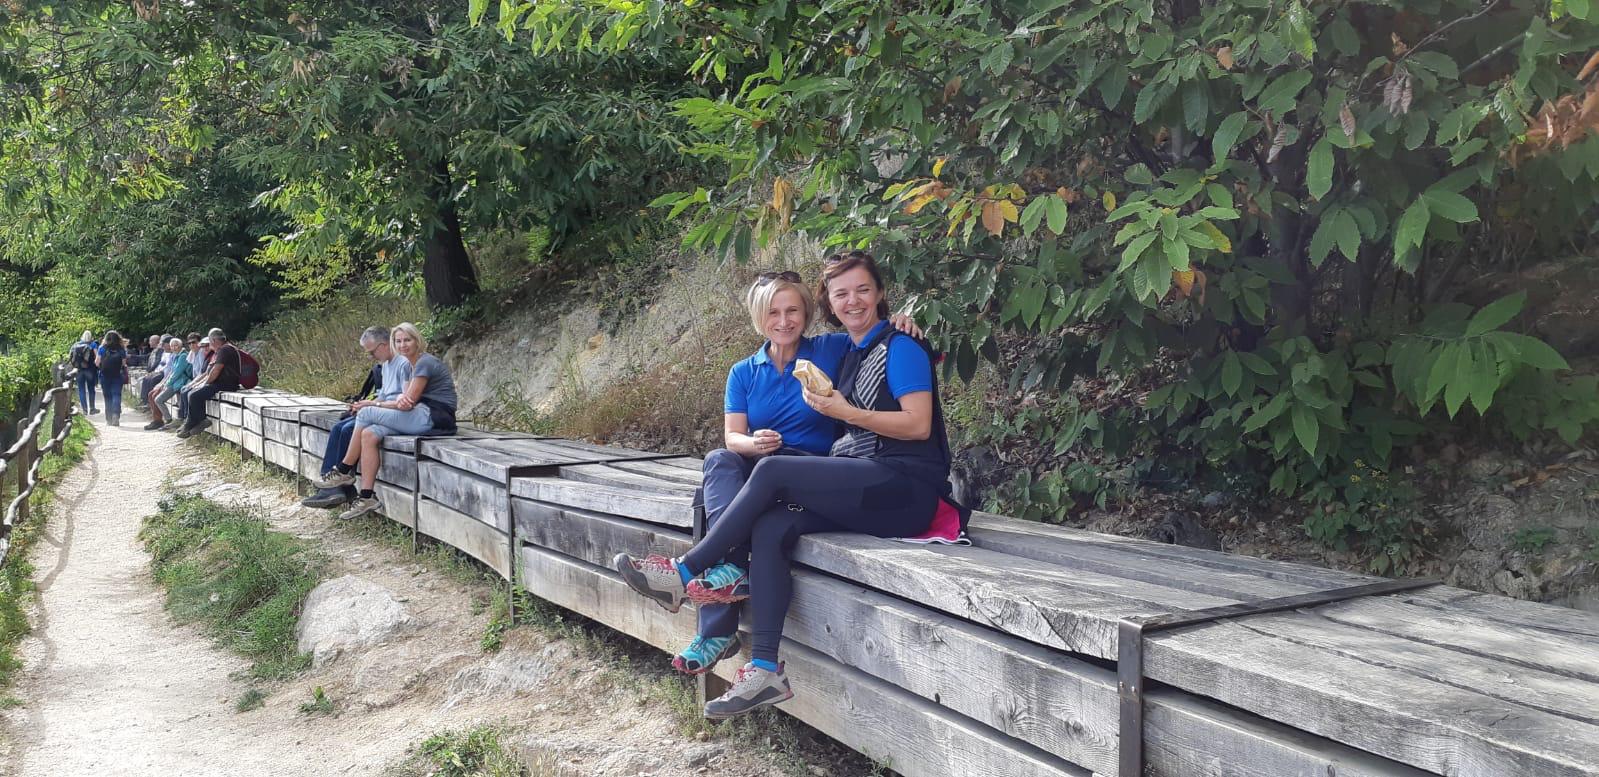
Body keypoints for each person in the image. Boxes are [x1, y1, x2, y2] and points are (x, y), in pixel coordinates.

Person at [614, 251, 956, 719]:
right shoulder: (851, 351)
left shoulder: (899, 346)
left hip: (906, 490)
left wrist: (847, 409)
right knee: (771, 523)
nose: (853, 301)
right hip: (867, 485)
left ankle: (685, 572)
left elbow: (918, 426)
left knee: (772, 471)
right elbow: (735, 435)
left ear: (880, 293)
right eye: (842, 294)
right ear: (830, 303)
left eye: (863, 290)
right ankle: (764, 669)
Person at [666, 271, 921, 677]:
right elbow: (733, 437)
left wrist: (901, 321)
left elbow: (869, 332)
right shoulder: (743, 372)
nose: (784, 321)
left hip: (810, 472)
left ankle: (708, 608)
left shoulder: (829, 349)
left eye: (793, 311)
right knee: (718, 462)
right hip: (763, 462)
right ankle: (726, 591)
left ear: (806, 314)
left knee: (735, 502)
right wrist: (754, 442)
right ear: (758, 317)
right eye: (773, 313)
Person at [312, 322, 456, 520]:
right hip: (420, 414)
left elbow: (407, 403)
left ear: (417, 340)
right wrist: (397, 400)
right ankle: (366, 497)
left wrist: (377, 404)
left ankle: (343, 470)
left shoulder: (424, 363)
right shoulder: (410, 364)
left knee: (365, 414)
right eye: (399, 341)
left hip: (434, 417)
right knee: (369, 434)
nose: (403, 345)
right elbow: (404, 399)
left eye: (407, 340)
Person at [302, 326, 408, 509]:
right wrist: (364, 403)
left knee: (349, 430)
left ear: (384, 345)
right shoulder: (385, 365)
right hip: (381, 410)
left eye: (372, 352)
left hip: (394, 414)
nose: (371, 357)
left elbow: (404, 400)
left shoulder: (403, 364)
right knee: (338, 427)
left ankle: (339, 484)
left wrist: (372, 405)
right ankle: (330, 484)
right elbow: (383, 395)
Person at [177, 328, 242, 439]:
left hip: (226, 384)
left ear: (214, 340)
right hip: (224, 383)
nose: (210, 345)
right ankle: (193, 422)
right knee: (192, 393)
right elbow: (210, 371)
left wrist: (205, 384)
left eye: (210, 342)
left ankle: (196, 422)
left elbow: (216, 370)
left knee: (194, 395)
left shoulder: (224, 350)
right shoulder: (225, 348)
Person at [146, 336, 191, 430]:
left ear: (180, 346)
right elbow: (171, 371)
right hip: (175, 383)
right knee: (156, 397)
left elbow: (177, 373)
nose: (174, 348)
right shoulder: (176, 355)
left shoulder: (183, 356)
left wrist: (167, 384)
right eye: (172, 346)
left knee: (158, 399)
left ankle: (168, 421)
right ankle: (167, 420)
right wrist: (164, 383)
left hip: (180, 383)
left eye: (176, 345)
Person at [94, 331, 129, 427]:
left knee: (107, 397)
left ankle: (108, 419)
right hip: (117, 375)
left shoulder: (102, 348)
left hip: (104, 376)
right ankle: (116, 415)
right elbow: (124, 363)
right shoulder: (121, 349)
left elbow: (97, 363)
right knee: (116, 395)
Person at [137, 333, 174, 409]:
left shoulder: (172, 354)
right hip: (160, 371)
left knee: (153, 379)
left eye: (163, 344)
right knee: (146, 378)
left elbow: (167, 367)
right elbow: (160, 364)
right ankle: (145, 400)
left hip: (165, 373)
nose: (162, 346)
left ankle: (150, 403)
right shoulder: (164, 353)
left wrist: (156, 372)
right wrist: (155, 371)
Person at [69, 330, 99, 416]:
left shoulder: (76, 344)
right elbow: (96, 356)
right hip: (90, 370)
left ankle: (84, 410)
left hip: (79, 370)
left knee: (81, 390)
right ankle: (92, 409)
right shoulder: (93, 344)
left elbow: (70, 356)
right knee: (91, 389)